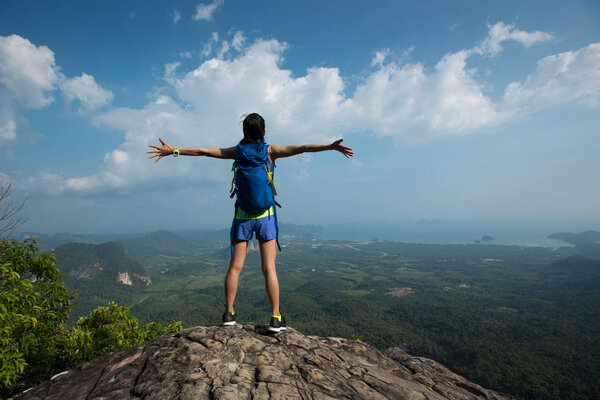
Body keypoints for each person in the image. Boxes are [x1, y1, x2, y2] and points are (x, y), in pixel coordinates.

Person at [147, 113, 353, 332]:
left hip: (242, 217)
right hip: (266, 217)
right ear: (263, 132)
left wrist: (175, 151)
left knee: (235, 267)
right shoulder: (270, 151)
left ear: (244, 132)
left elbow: (203, 152)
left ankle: (229, 314)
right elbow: (302, 148)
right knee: (269, 268)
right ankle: (275, 318)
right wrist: (330, 147)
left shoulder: (236, 153)